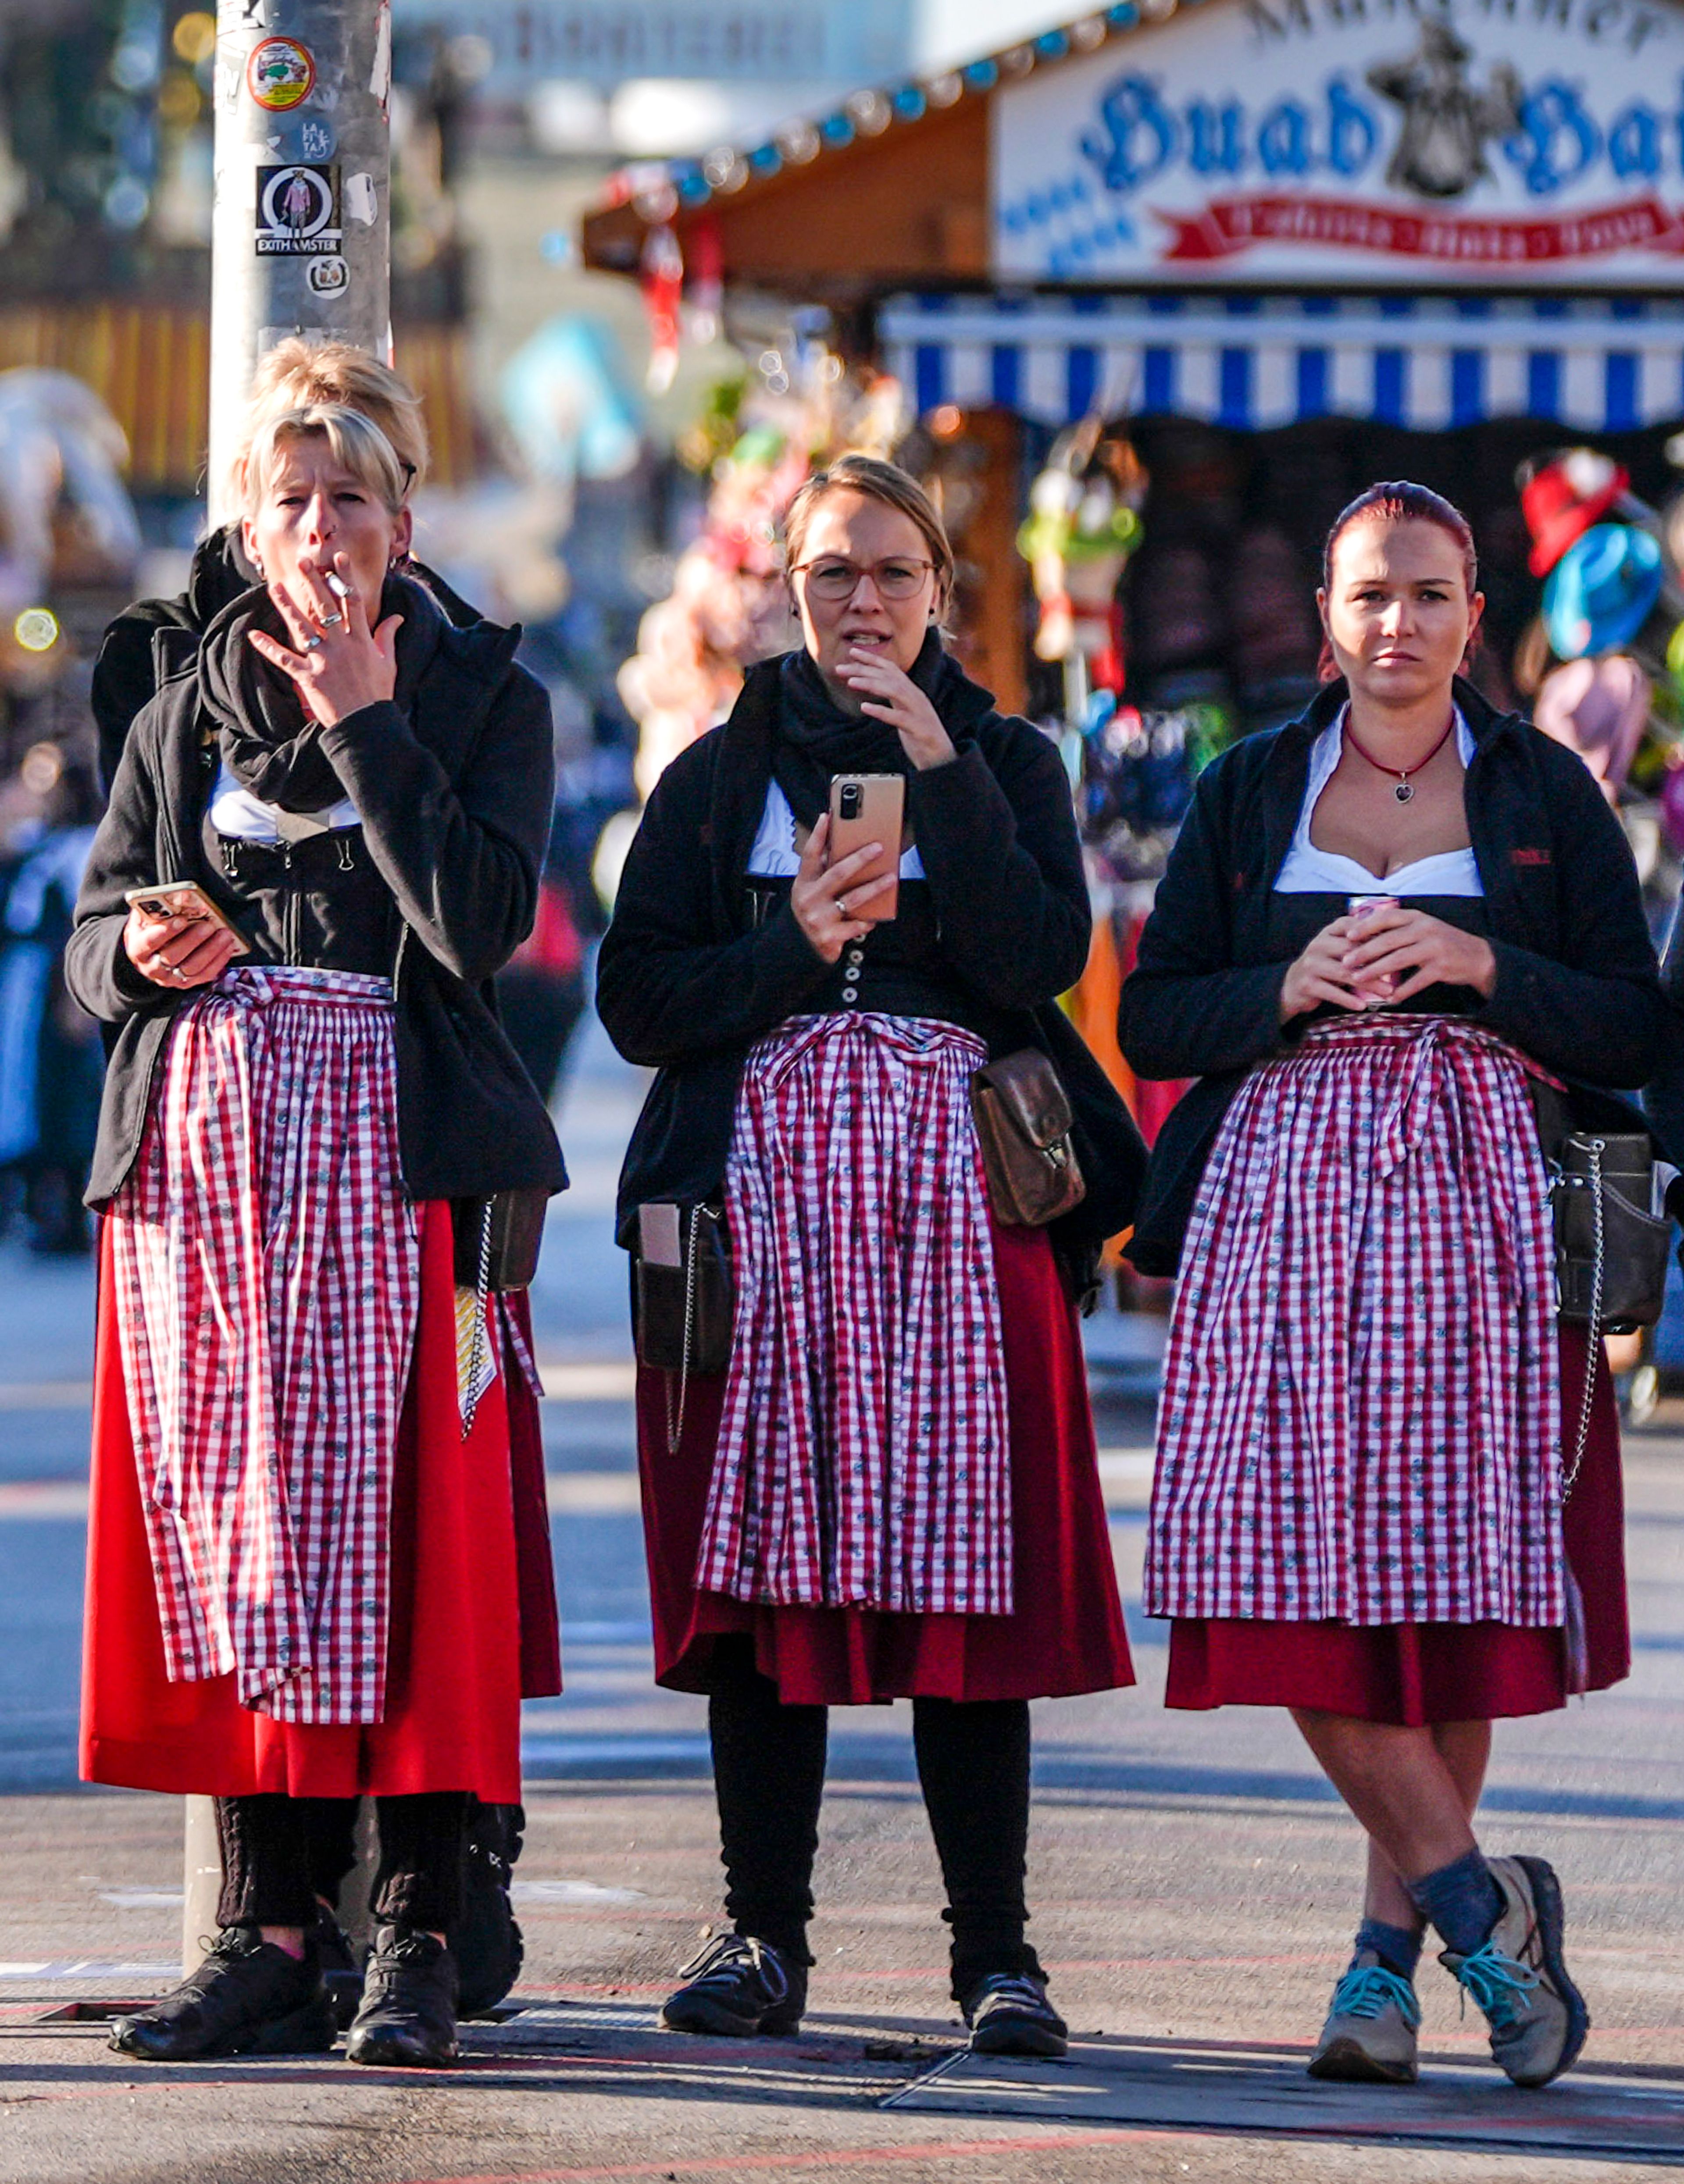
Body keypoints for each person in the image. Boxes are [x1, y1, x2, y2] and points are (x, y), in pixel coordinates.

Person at [1120, 481, 1666, 2091]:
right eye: (1371, 595)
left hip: (1483, 1224)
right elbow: (1155, 1020)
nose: (1398, 626)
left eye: (1430, 596)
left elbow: (1634, 1023)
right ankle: (1471, 1896)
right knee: (1273, 1580)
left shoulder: (1539, 791)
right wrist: (1284, 984)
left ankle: (1392, 1966)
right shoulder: (1244, 787)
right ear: (1326, 611)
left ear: (1475, 612)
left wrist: (1486, 965)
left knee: (1447, 1594)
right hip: (1281, 1227)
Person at [596, 453, 1142, 2057]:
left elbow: (1044, 955)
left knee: (965, 1582)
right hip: (758, 1220)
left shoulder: (1005, 756)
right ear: (785, 585)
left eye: (892, 573)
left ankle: (1000, 1951)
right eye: (832, 572)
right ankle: (762, 1930)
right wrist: (796, 942)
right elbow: (643, 1002)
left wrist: (941, 771)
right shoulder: (716, 775)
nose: (861, 603)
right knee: (767, 1584)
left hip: (959, 1221)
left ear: (939, 593)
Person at [66, 402, 564, 2067]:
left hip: (407, 1171)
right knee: (238, 1539)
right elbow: (85, 952)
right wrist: (141, 951)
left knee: (424, 1543)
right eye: (296, 497)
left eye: (357, 493)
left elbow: (483, 921)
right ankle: (270, 1922)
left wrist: (367, 726)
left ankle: (419, 1924)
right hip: (209, 1188)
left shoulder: (487, 696)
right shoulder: (174, 701)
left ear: (405, 522)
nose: (328, 525)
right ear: (252, 525)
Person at [91, 338, 477, 797]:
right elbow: (132, 857)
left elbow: (481, 864)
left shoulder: (470, 662)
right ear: (250, 484)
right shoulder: (155, 651)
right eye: (298, 484)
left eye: (370, 479)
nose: (325, 520)